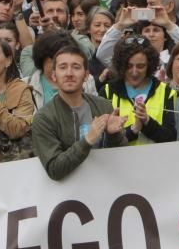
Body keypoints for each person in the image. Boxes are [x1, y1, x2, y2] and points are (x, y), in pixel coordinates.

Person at [32, 44, 127, 181]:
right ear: (54, 75)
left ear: (86, 75)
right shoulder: (44, 118)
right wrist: (87, 140)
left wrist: (114, 135)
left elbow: (122, 158)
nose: (69, 73)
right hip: (68, 195)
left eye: (76, 67)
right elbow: (54, 169)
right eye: (63, 67)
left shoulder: (103, 105)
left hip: (107, 186)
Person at [104, 36, 177, 144]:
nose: (134, 72)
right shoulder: (108, 91)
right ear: (121, 65)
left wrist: (147, 121)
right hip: (119, 160)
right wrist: (133, 130)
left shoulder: (166, 92)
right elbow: (103, 141)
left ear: (149, 65)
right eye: (129, 66)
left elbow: (170, 138)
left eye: (140, 66)